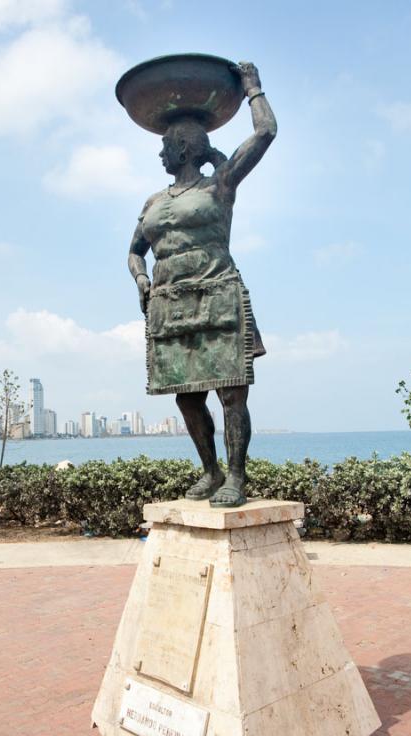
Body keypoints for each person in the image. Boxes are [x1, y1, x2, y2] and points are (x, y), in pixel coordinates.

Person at [127, 62, 277, 507]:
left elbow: (266, 133)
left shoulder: (221, 185)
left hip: (216, 294)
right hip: (170, 305)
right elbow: (134, 249)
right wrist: (139, 277)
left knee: (231, 392)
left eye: (166, 147)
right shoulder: (153, 202)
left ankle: (235, 477)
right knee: (187, 400)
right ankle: (210, 472)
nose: (160, 156)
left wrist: (252, 86)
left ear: (186, 147)